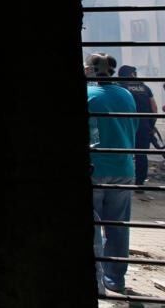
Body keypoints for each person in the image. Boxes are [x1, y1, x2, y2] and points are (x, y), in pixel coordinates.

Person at [86, 52, 139, 295]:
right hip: (124, 168)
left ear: (90, 70)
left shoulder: (88, 95)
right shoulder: (126, 95)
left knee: (94, 226)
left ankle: (96, 283)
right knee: (118, 226)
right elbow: (134, 127)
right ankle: (115, 279)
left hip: (96, 169)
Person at [117, 65, 157, 190]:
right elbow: (154, 108)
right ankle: (140, 183)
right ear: (133, 74)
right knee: (141, 154)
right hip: (144, 125)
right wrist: (151, 125)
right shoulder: (145, 87)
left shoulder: (120, 87)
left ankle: (123, 179)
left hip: (126, 125)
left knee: (124, 152)